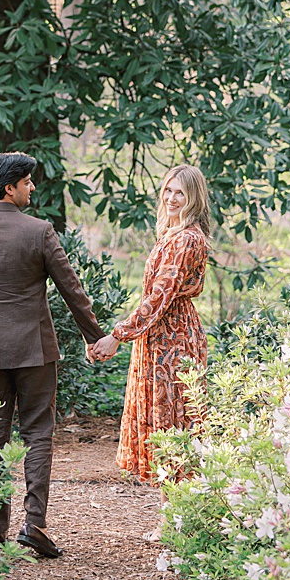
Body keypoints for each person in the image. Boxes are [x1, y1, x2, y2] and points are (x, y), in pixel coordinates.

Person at [0, 151, 110, 559]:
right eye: (27, 182)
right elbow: (72, 290)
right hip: (35, 350)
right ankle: (34, 525)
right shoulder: (40, 232)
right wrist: (95, 337)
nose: (32, 188)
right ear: (9, 187)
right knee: (37, 433)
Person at [89, 165, 212, 482]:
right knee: (161, 422)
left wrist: (118, 334)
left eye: (180, 193)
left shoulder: (186, 239)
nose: (172, 198)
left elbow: (160, 295)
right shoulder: (170, 234)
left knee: (171, 421)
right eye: (168, 190)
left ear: (193, 197)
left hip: (174, 337)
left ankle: (175, 518)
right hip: (157, 334)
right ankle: (170, 515)